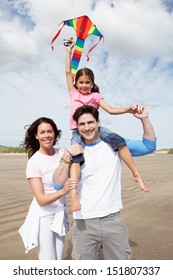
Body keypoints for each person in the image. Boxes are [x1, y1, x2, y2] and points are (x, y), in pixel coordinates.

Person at [53, 105, 156, 260]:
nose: (87, 128)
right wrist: (67, 155)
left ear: (98, 123)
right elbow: (57, 185)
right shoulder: (74, 151)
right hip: (83, 222)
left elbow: (148, 146)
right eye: (82, 124)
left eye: (90, 122)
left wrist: (145, 119)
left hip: (112, 219)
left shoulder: (116, 145)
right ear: (77, 127)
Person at [65, 39, 149, 212]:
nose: (84, 86)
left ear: (92, 83)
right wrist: (69, 51)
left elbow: (110, 110)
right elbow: (67, 72)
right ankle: (73, 196)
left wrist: (128, 109)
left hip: (96, 129)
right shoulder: (73, 93)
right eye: (81, 82)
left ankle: (136, 174)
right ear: (76, 83)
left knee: (119, 142)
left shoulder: (96, 96)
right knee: (75, 157)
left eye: (87, 82)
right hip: (77, 130)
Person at [18, 117, 83, 260]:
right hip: (43, 216)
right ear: (36, 136)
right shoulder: (34, 162)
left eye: (50, 131)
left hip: (60, 213)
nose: (47, 135)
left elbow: (78, 163)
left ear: (55, 133)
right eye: (42, 132)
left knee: (58, 260)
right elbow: (40, 199)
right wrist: (62, 191)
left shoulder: (63, 153)